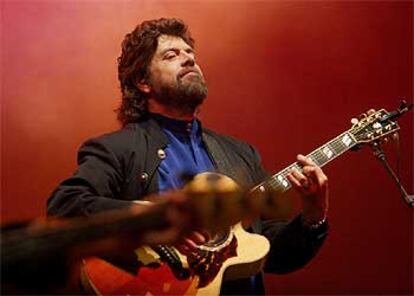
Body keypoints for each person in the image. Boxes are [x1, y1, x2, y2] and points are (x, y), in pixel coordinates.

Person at [47, 18, 329, 295]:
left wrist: (313, 217)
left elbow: (276, 255)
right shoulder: (119, 148)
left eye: (190, 53)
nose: (189, 59)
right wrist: (151, 217)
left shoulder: (240, 154)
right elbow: (65, 204)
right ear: (143, 81)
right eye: (172, 55)